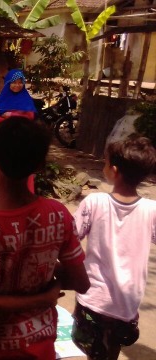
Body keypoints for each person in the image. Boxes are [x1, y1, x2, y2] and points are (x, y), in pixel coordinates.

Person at [0, 118, 90, 359]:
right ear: (39, 164)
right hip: (40, 348)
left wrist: (43, 295)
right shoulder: (57, 214)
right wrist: (49, 284)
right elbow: (81, 282)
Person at [71, 136, 156, 360]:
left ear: (114, 170)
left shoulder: (94, 202)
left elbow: (71, 238)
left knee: (93, 348)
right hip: (127, 301)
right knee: (112, 349)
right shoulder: (151, 210)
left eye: (106, 162)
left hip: (93, 297)